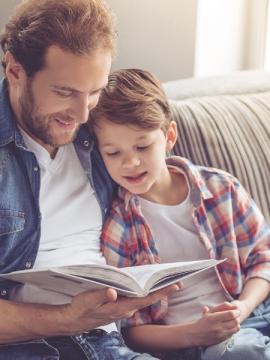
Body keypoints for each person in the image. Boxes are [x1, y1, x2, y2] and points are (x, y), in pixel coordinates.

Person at [0, 2, 179, 359]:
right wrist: (65, 319)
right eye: (65, 92)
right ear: (15, 69)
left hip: (107, 344)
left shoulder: (102, 134)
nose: (82, 114)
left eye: (94, 92)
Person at [89, 68, 270, 360]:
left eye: (143, 146)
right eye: (113, 153)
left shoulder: (221, 188)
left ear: (169, 135)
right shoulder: (119, 228)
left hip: (253, 309)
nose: (131, 162)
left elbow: (264, 256)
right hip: (191, 340)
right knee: (244, 352)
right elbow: (129, 328)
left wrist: (244, 306)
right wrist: (194, 333)